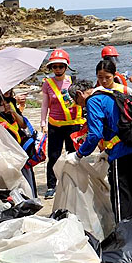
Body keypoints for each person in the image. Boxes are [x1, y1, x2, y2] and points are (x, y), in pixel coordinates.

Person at [68, 74, 132, 222]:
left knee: (122, 197)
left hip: (123, 152)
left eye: (77, 102)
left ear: (80, 94)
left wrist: (79, 154)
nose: (80, 105)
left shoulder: (93, 101)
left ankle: (124, 234)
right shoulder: (111, 93)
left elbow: (94, 134)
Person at [0, 90, 42, 195]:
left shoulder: (10, 103)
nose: (8, 90)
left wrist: (13, 112)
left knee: (26, 186)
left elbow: (23, 125)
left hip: (19, 153)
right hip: (1, 158)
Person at [40, 49, 85, 199]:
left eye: (61, 66)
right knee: (53, 156)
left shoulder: (74, 81)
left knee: (74, 155)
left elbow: (82, 100)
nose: (58, 69)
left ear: (66, 67)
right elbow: (45, 104)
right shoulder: (47, 84)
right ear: (51, 68)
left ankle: (75, 182)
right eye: (55, 66)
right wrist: (43, 122)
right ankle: (51, 186)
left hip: (73, 124)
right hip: (55, 125)